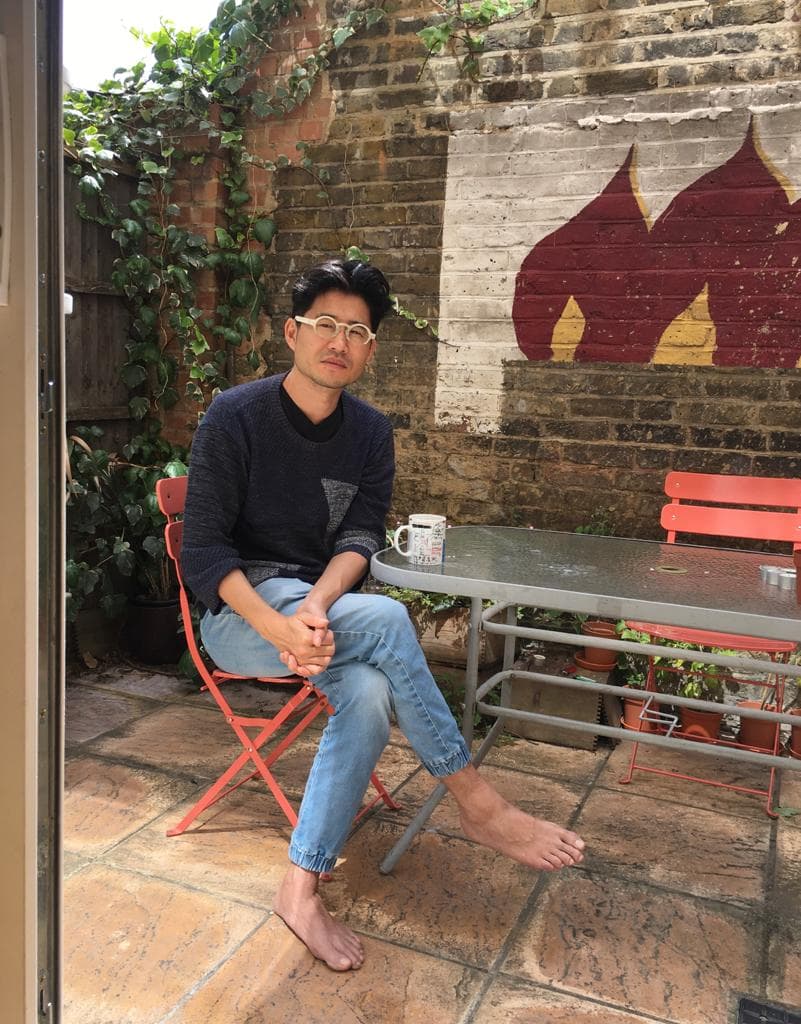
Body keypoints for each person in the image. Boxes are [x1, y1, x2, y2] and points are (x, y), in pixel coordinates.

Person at [181, 258, 585, 972]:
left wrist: (315, 605)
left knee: (367, 695)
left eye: (357, 331)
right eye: (325, 324)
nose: (339, 341)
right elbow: (205, 554)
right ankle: (478, 802)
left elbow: (360, 537)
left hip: (319, 615)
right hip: (241, 619)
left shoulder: (369, 431)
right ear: (292, 333)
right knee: (392, 622)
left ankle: (300, 886)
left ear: (370, 349)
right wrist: (279, 625)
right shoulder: (234, 416)